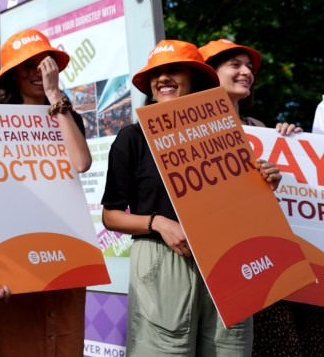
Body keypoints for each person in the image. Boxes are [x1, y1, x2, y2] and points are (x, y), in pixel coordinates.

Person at [101, 40, 281, 356]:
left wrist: (264, 185)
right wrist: (158, 224)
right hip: (161, 261)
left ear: (196, 81)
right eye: (156, 75)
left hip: (228, 260)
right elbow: (111, 215)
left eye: (174, 71)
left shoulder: (227, 136)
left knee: (231, 349)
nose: (163, 79)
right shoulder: (133, 137)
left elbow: (243, 210)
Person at [199, 38, 321, 357]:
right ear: (210, 74)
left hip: (279, 254)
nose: (246, 72)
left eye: (249, 67)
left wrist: (295, 142)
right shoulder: (196, 132)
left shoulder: (262, 129)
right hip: (236, 263)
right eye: (235, 65)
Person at [0, 29, 92, 357]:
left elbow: (81, 162)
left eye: (41, 63)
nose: (35, 72)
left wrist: (54, 94)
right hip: (14, 257)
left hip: (63, 253)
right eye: (25, 65)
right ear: (12, 74)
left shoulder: (68, 118)